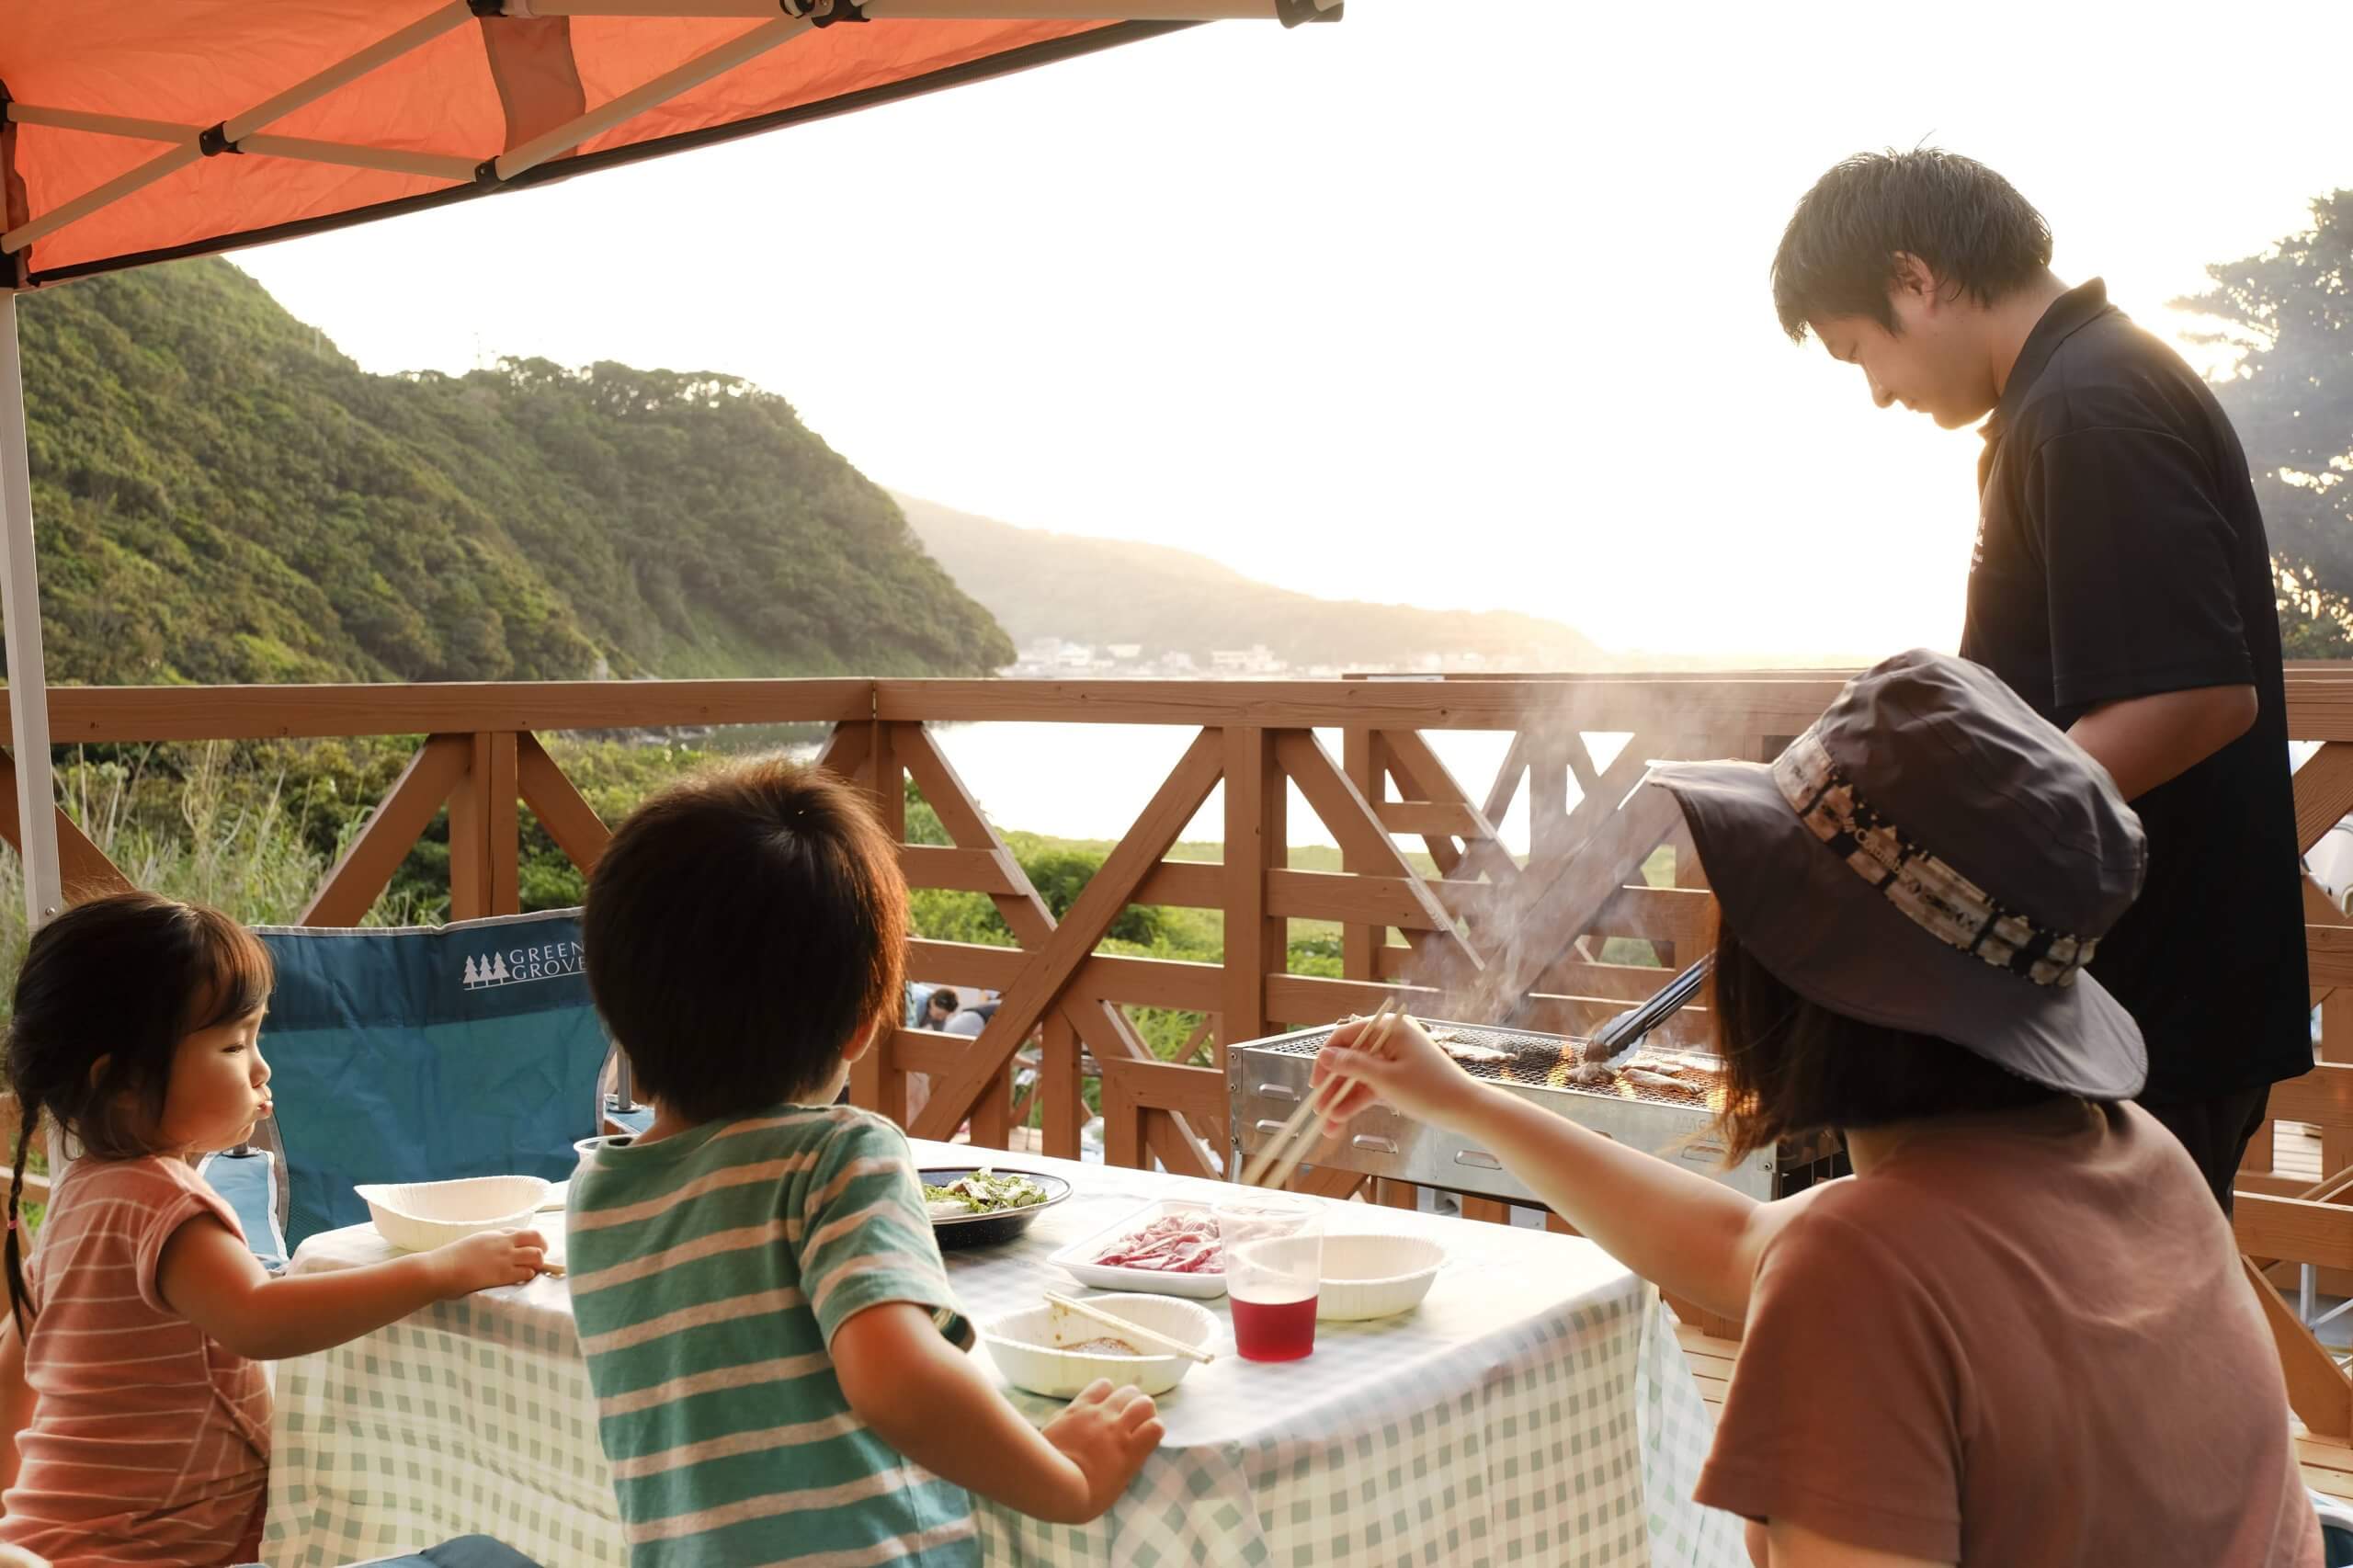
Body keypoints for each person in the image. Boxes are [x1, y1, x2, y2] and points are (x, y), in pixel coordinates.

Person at [1313, 653, 2322, 1567]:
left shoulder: (1864, 1268)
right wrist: (1460, 1096)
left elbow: (1818, 1264)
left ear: (1798, 965)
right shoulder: (2134, 1155)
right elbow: (1739, 1241)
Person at [1768, 148, 2307, 1210]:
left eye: (1856, 350)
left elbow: (2194, 695)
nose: (1876, 392)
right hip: (2141, 992)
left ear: (1914, 280)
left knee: (2116, 1359)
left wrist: (1947, 829)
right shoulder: (2071, 391)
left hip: (2156, 1002)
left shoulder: (2089, 405)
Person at [571, 757, 1161, 1567]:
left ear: (617, 1010)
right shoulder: (837, 1153)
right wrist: (1064, 1479)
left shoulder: (598, 1191)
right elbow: (895, 1381)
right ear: (858, 1026)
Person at [0, 892, 545, 1567]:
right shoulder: (160, 1206)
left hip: (47, 1543)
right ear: (124, 1083)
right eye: (234, 1044)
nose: (262, 1066)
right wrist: (443, 1270)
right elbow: (260, 1319)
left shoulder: (79, 1197)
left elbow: (11, 1372)